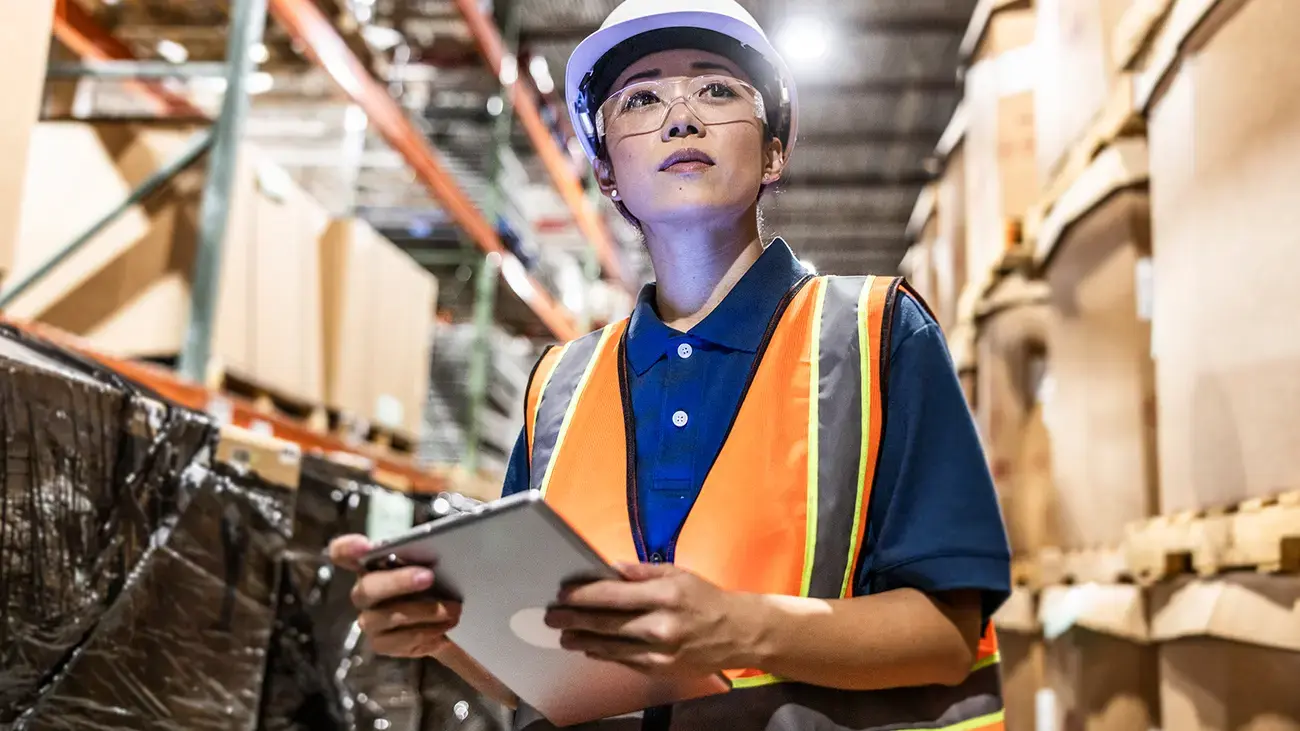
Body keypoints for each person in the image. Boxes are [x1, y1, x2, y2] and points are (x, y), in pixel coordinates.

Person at [329, 1, 1012, 729]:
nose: (680, 119)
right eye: (641, 100)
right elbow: (546, 676)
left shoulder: (876, 333)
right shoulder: (559, 386)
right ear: (606, 173)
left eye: (716, 89)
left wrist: (743, 627)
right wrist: (444, 633)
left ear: (774, 153)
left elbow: (948, 639)